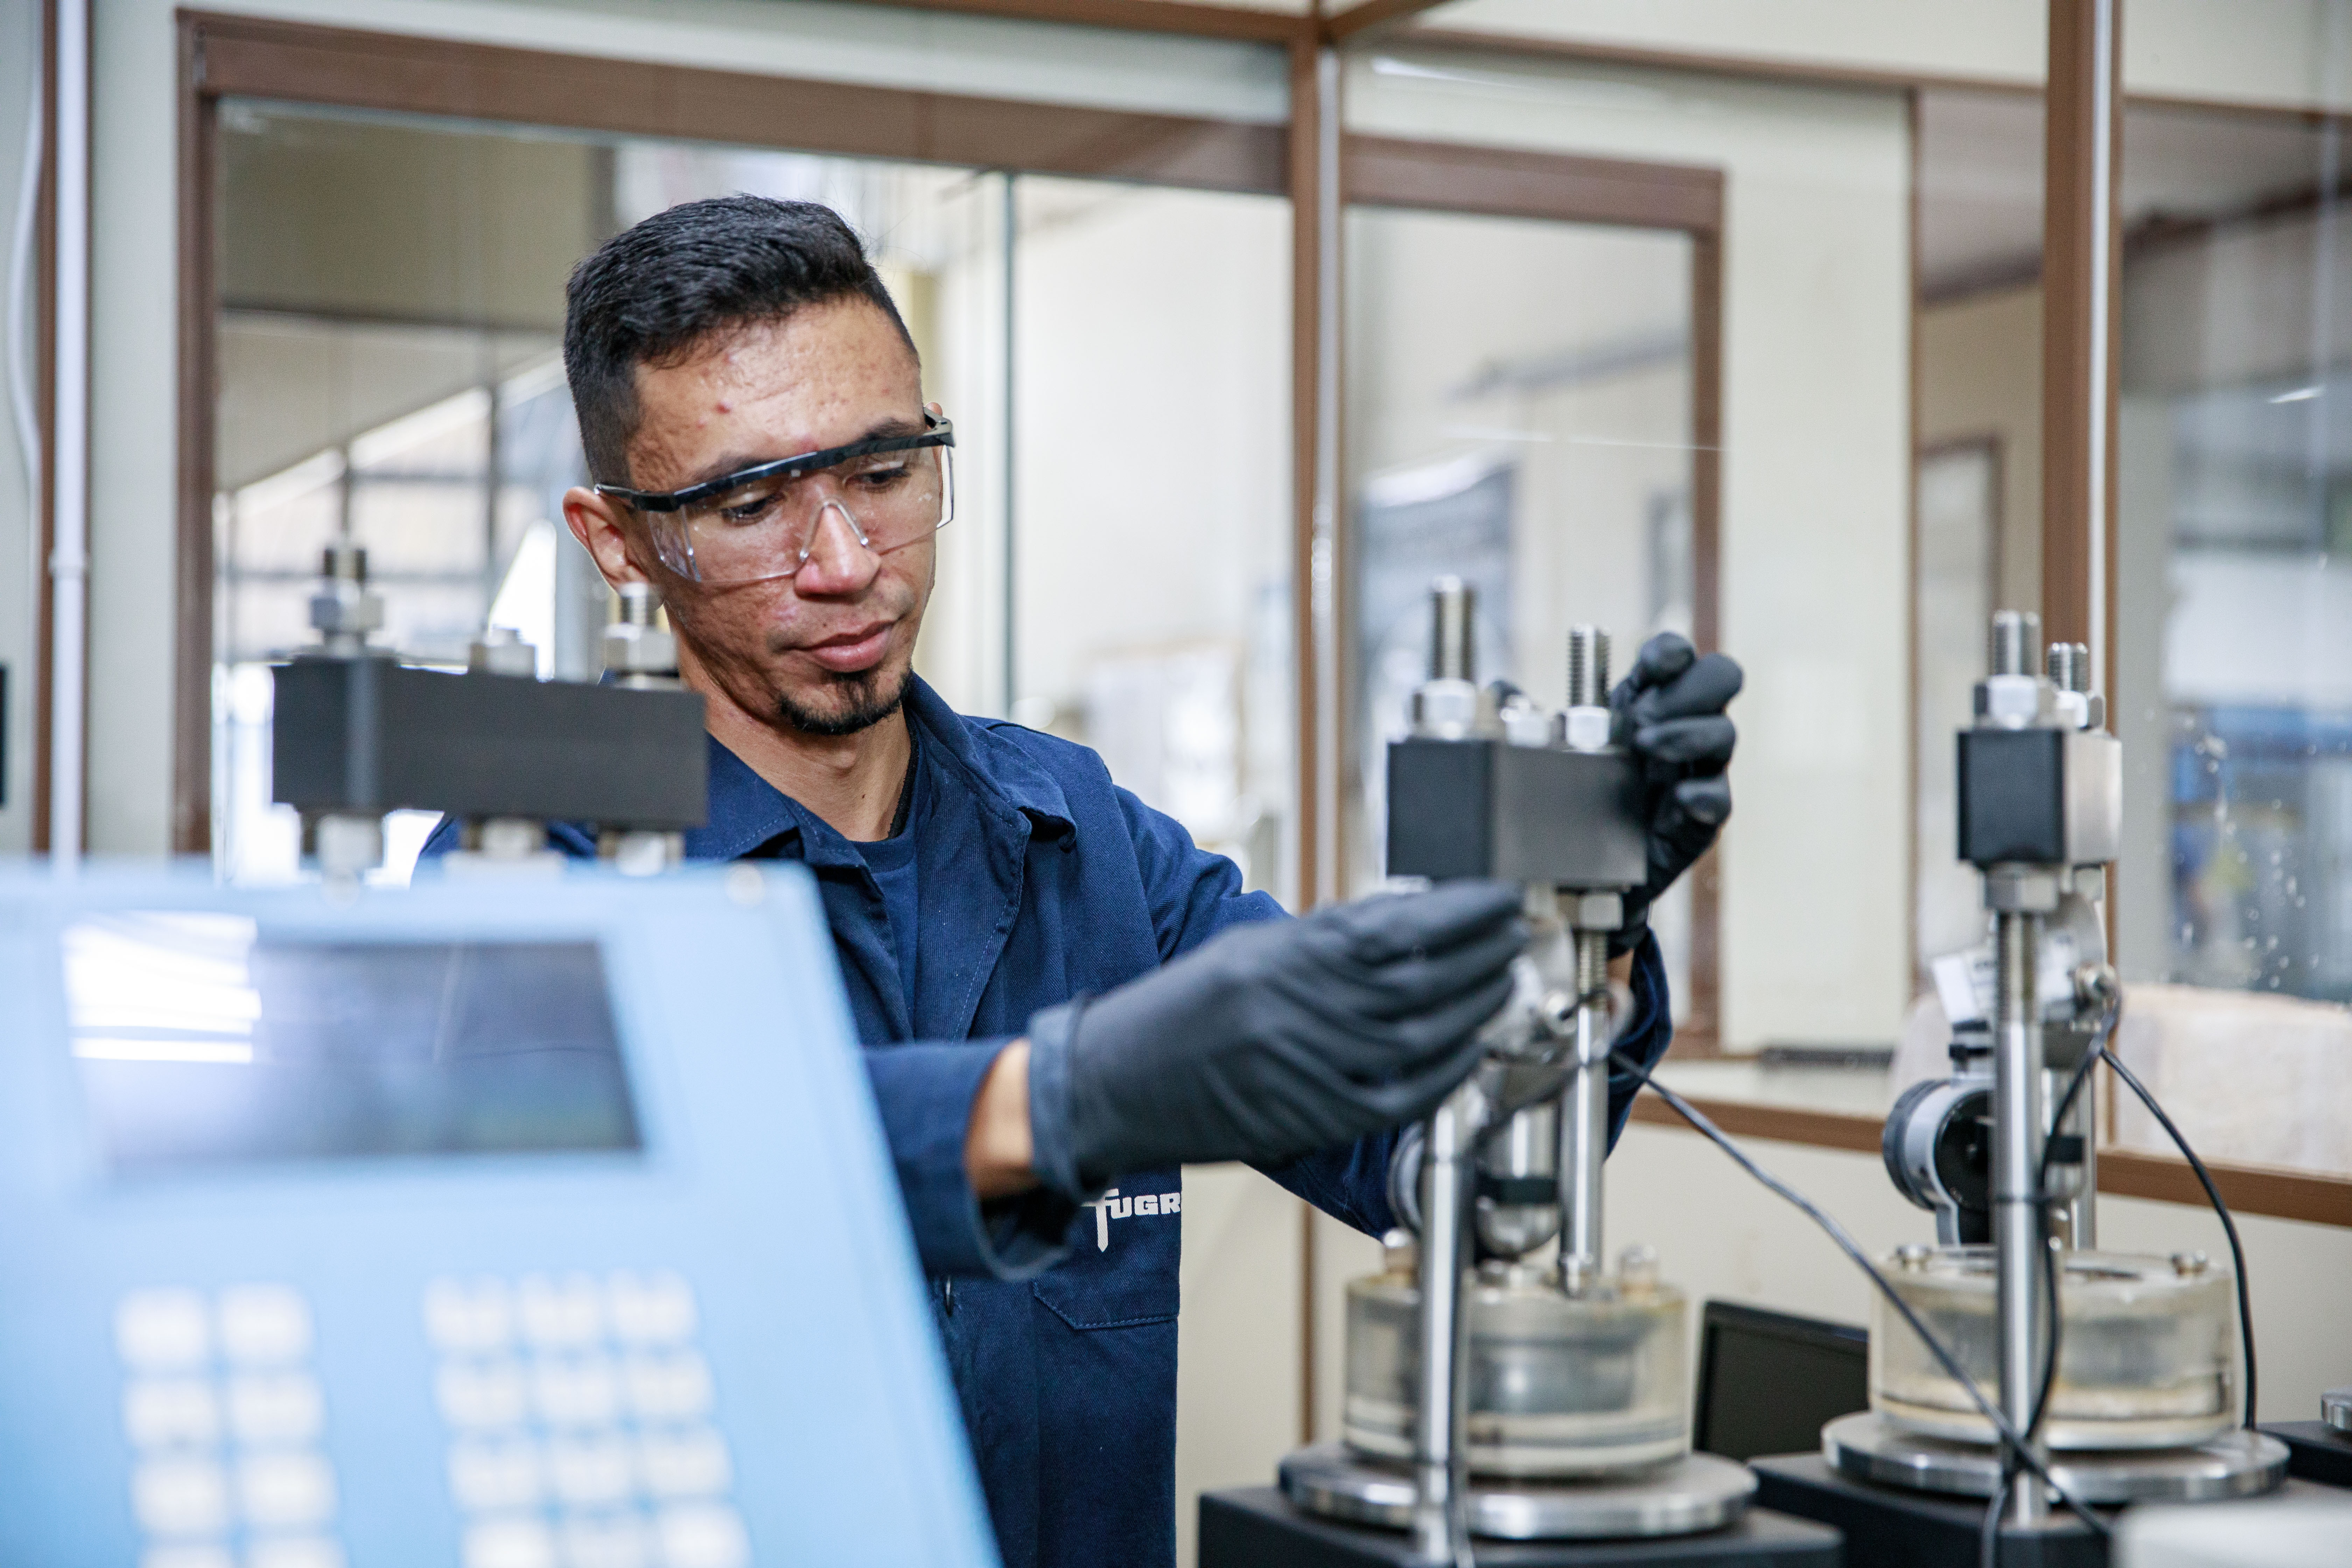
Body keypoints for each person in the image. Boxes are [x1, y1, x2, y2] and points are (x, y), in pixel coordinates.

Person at [422, 196, 1741, 1568]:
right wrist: (1056, 1101)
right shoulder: (530, 872)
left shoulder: (1088, 840)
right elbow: (611, 1184)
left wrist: (1584, 927)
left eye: (885, 472)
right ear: (618, 540)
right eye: (751, 506)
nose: (848, 564)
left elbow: (1434, 1157)